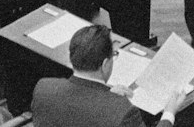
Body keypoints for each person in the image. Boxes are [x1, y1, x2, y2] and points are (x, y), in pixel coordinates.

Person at [31, 23, 183, 127]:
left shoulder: (43, 88)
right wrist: (169, 113)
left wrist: (105, 95)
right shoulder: (123, 112)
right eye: (114, 55)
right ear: (105, 64)